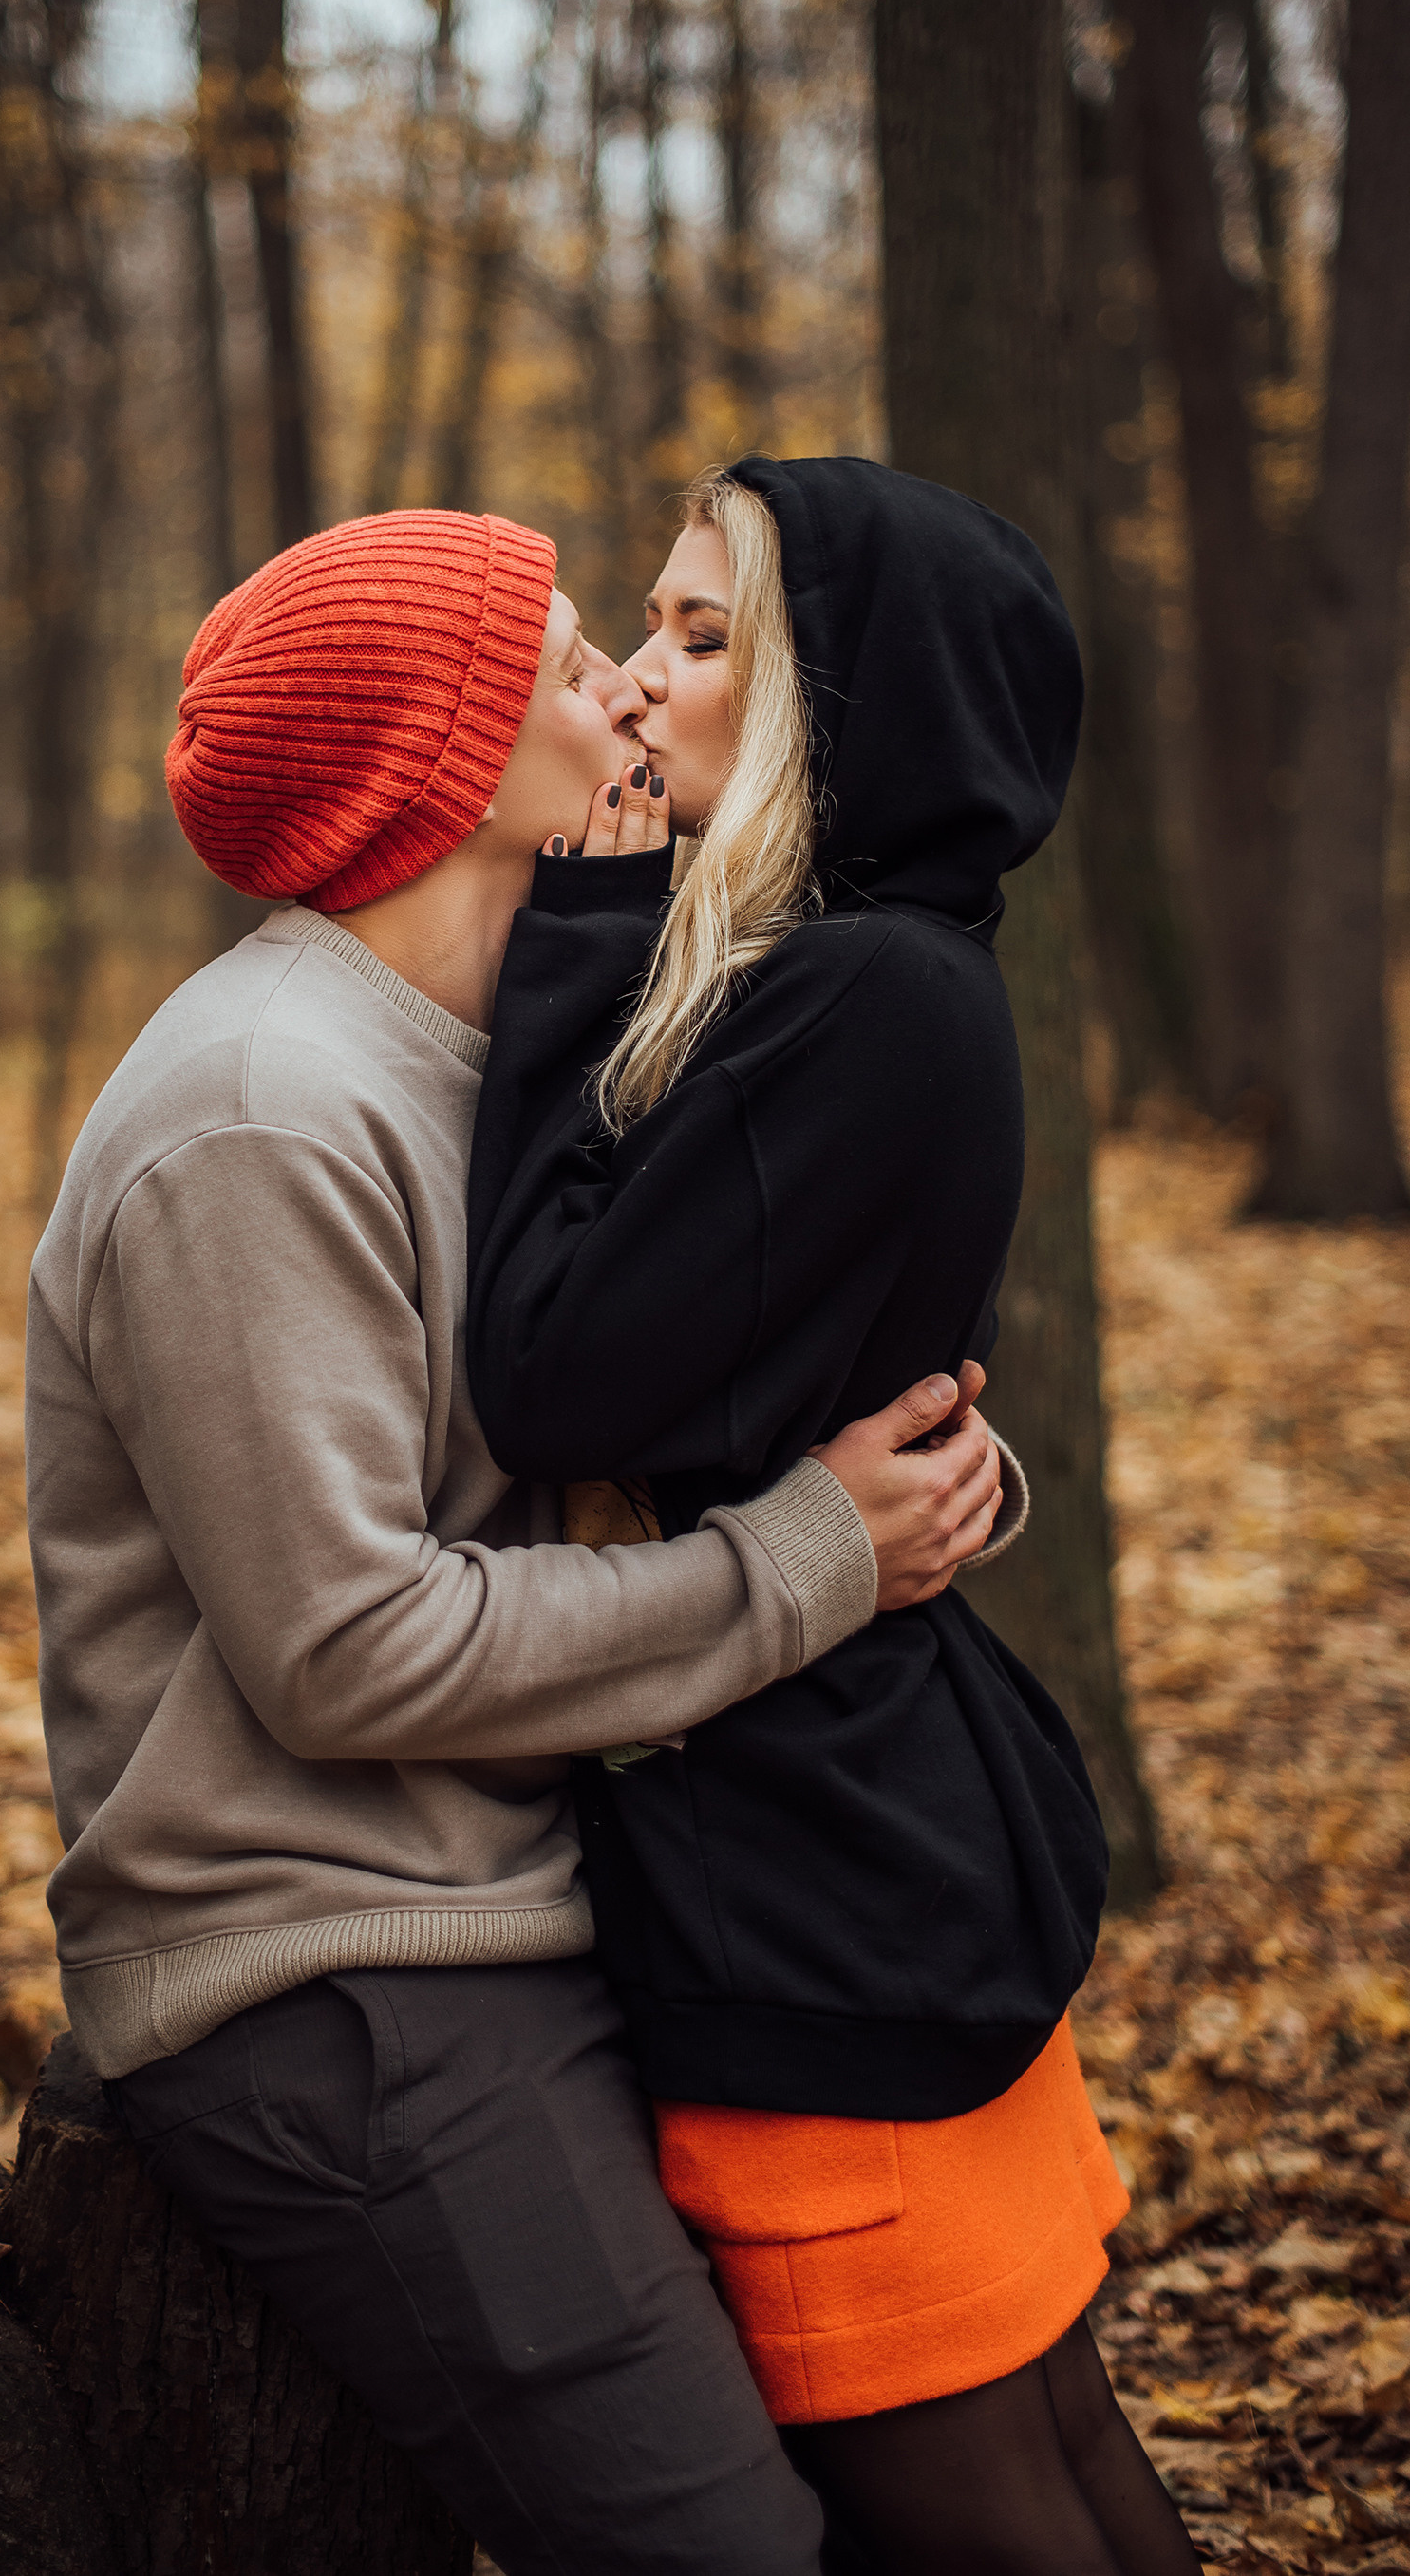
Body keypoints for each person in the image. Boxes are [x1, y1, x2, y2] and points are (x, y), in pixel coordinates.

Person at [26, 505, 1015, 2576]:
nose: (628, 692)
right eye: (572, 666)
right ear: (447, 767)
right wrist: (811, 1557)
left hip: (537, 1902)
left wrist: (924, 1472)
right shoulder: (258, 1110)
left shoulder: (506, 1055)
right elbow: (345, 1651)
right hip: (342, 1974)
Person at [465, 456, 1200, 2576]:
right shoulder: (861, 971)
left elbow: (547, 1367)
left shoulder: (859, 990)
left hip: (820, 1889)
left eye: (709, 639)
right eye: (653, 618)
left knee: (980, 2508)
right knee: (1051, 2459)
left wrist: (578, 942)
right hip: (862, 1838)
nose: (640, 672)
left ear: (838, 703)